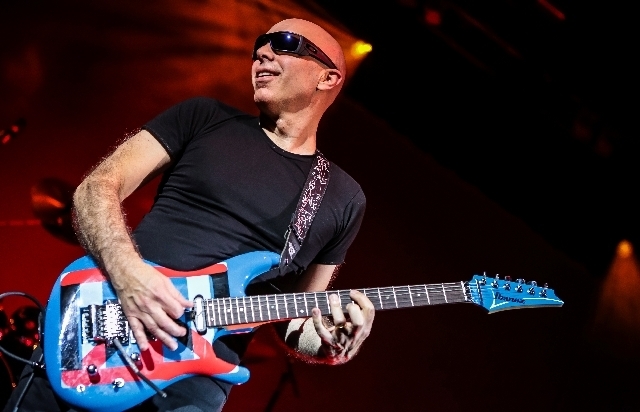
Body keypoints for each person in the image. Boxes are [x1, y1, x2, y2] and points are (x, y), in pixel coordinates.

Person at [3, 17, 374, 412]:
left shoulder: (343, 197)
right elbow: (96, 189)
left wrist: (330, 346)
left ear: (328, 78)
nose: (262, 53)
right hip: (98, 334)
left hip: (190, 390)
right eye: (259, 46)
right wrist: (128, 276)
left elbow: (297, 318)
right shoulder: (204, 118)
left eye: (284, 43)